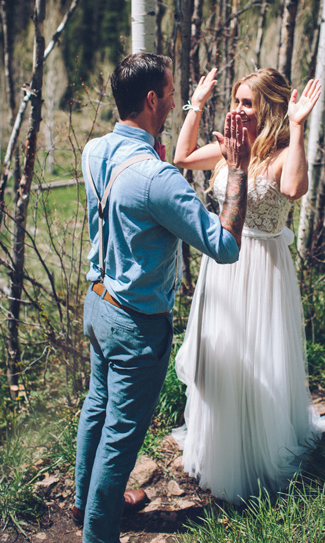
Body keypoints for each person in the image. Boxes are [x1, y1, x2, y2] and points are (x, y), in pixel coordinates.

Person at [75, 53, 249, 543]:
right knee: (120, 438)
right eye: (172, 94)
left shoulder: (94, 151)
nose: (175, 100)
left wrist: (164, 139)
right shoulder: (157, 178)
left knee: (96, 406)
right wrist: (237, 169)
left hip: (98, 302)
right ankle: (98, 530)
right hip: (136, 323)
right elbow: (225, 246)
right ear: (152, 99)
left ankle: (81, 499)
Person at [170, 67, 325, 503]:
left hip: (262, 269)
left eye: (247, 102)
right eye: (236, 101)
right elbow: (180, 158)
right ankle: (219, 444)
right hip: (223, 265)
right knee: (222, 355)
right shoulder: (230, 150)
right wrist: (196, 105)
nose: (238, 109)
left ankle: (258, 454)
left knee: (256, 359)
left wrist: (297, 129)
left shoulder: (281, 153)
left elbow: (295, 187)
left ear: (271, 108)